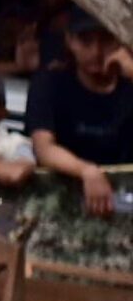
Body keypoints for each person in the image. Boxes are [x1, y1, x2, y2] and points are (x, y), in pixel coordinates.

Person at [26, 14, 133, 214]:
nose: (96, 51)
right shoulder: (50, 84)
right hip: (65, 201)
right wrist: (86, 171)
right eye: (86, 41)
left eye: (106, 40)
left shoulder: (128, 85)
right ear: (70, 41)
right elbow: (44, 147)